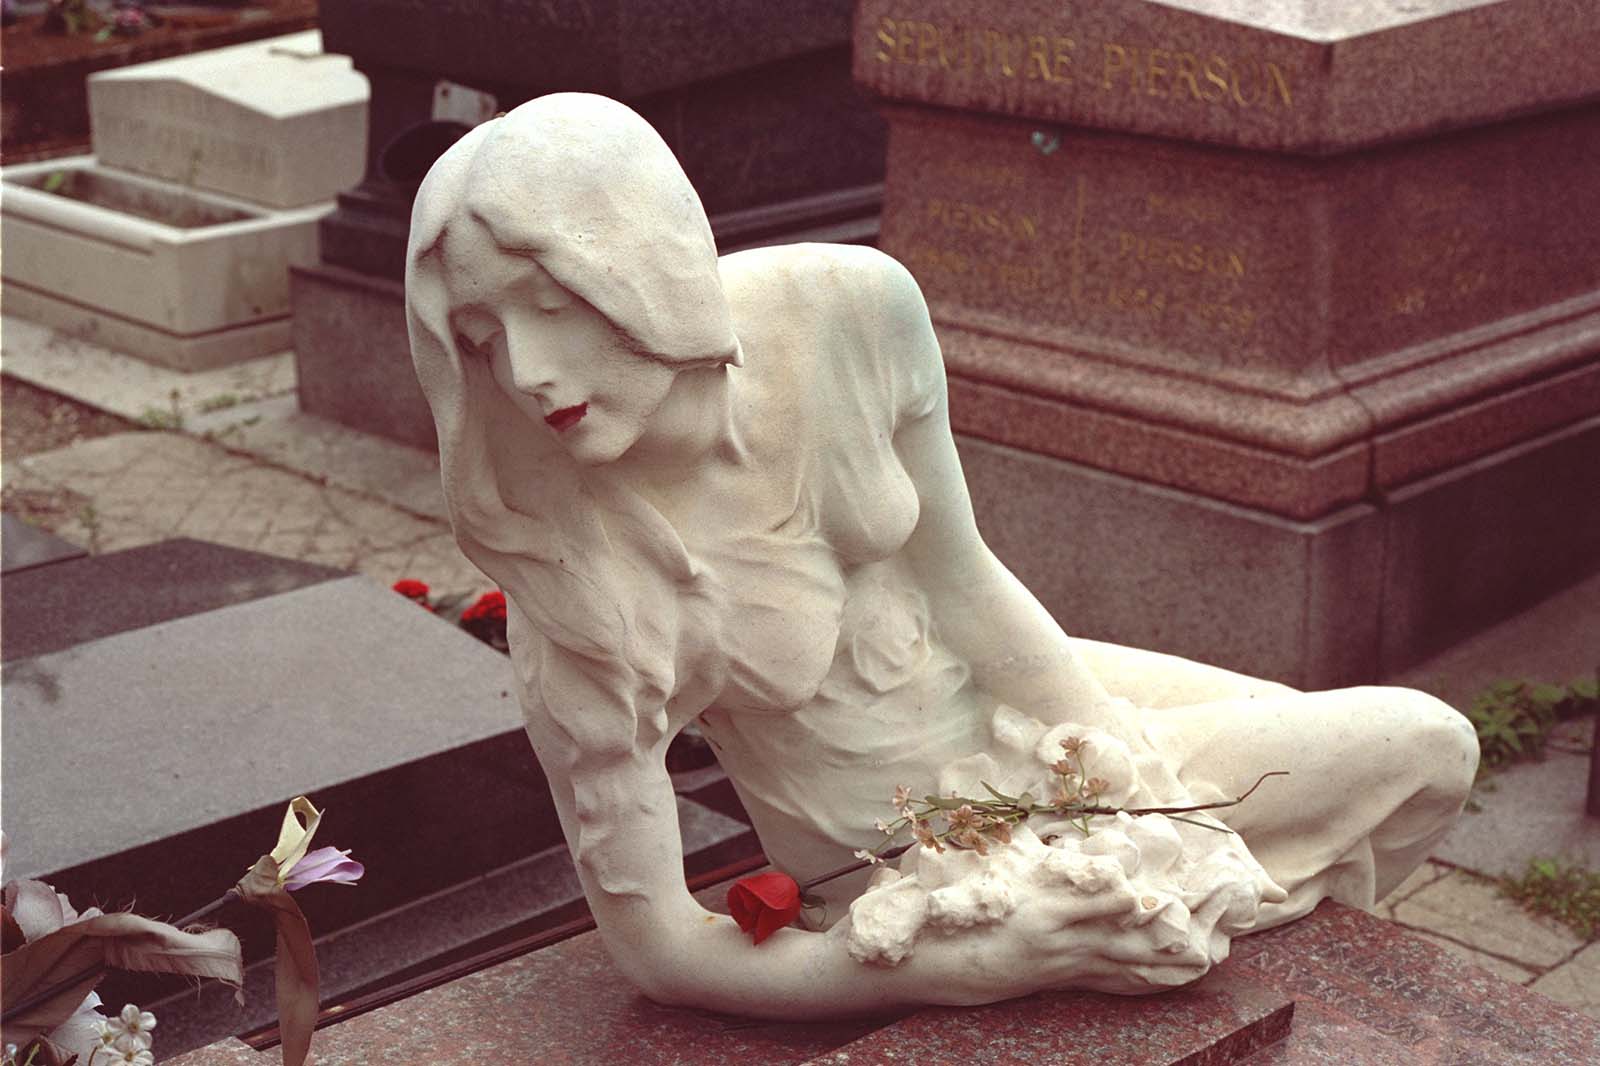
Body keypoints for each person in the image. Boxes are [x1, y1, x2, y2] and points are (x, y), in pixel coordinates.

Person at [406, 93, 1478, 1018]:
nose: (527, 373)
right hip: (916, 846)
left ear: (643, 268)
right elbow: (655, 951)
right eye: (484, 340)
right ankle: (1161, 946)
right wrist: (947, 969)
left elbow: (962, 574)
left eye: (548, 306)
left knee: (1409, 761)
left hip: (1025, 694)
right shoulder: (571, 573)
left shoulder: (850, 311)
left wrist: (1103, 754)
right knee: (1417, 747)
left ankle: (1191, 930)